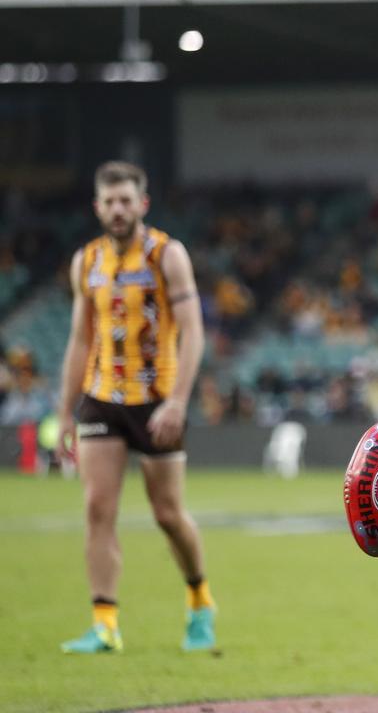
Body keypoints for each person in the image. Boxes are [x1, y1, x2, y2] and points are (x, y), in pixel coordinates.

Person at [57, 161, 216, 654]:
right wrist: (65, 411)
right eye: (110, 201)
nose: (118, 209)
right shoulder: (87, 262)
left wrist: (178, 401)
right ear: (98, 208)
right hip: (103, 397)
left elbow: (193, 330)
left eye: (127, 200)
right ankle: (104, 622)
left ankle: (200, 601)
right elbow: (81, 339)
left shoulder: (168, 255)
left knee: (167, 513)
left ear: (143, 204)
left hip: (157, 401)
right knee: (97, 507)